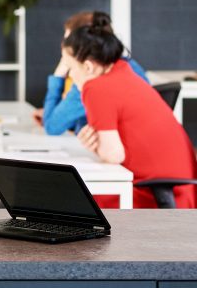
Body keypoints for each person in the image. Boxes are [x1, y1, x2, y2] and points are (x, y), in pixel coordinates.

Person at [61, 14, 197, 208]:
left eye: (70, 68)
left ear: (88, 66)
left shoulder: (96, 88)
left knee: (67, 198)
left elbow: (113, 155)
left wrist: (96, 146)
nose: (70, 75)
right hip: (181, 192)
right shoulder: (122, 70)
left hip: (154, 195)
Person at [34, 11, 149, 135]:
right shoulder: (127, 66)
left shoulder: (92, 78)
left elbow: (52, 126)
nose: (63, 45)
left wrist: (58, 75)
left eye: (68, 40)